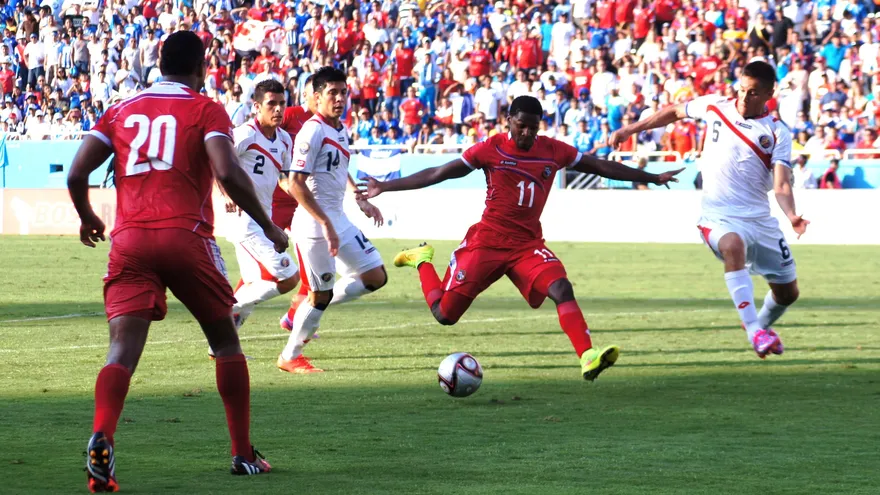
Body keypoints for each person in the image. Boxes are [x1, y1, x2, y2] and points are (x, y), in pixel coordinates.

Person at [69, 32, 286, 492]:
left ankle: (102, 436)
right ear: (201, 67)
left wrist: (88, 216)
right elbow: (227, 171)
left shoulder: (121, 108)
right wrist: (268, 226)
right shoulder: (205, 108)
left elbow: (76, 172)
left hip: (129, 240)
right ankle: (242, 454)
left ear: (159, 64)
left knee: (121, 352)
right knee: (226, 342)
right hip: (186, 235)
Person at [359, 95, 683, 381]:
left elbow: (600, 166)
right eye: (521, 126)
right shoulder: (491, 148)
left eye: (533, 127)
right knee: (445, 315)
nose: (527, 133)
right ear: (508, 121)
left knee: (561, 287)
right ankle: (422, 260)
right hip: (486, 242)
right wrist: (387, 186)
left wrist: (652, 177)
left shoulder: (554, 151)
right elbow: (438, 173)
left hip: (527, 245)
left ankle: (587, 355)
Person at [610, 61, 809, 359]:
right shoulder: (715, 106)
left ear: (769, 93)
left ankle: (759, 329)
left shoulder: (777, 132)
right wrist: (630, 129)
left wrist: (792, 215)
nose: (743, 97)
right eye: (741, 89)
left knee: (788, 294)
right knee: (733, 245)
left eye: (753, 93)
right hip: (718, 216)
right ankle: (755, 329)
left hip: (760, 219)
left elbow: (781, 185)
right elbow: (676, 110)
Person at [276, 66, 388, 373]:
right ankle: (290, 356)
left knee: (374, 276)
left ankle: (303, 308)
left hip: (338, 219)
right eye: (331, 93)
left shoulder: (339, 128)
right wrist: (324, 223)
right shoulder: (311, 130)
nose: (339, 98)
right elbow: (296, 183)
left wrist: (359, 197)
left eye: (343, 92)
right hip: (314, 226)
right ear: (316, 97)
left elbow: (339, 166)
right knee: (320, 295)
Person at [221, 79, 300, 338]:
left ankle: (221, 346)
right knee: (288, 277)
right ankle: (224, 311)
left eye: (282, 104)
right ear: (257, 107)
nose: (278, 110)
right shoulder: (245, 134)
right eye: (271, 104)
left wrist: (305, 198)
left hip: (263, 217)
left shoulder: (285, 140)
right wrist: (226, 193)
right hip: (245, 220)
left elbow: (282, 179)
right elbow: (218, 163)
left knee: (255, 284)